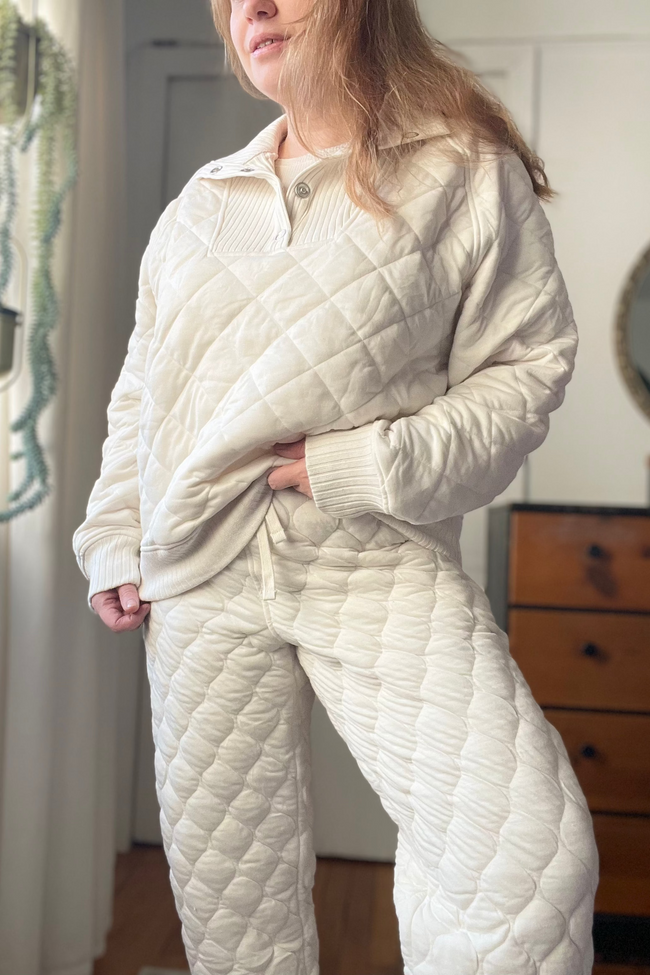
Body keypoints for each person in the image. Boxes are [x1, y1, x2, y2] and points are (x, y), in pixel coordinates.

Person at [72, 0, 600, 972]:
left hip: (372, 557)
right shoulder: (197, 207)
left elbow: (525, 371)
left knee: (527, 857)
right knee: (237, 929)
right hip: (199, 578)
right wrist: (114, 532)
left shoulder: (460, 170)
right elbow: (142, 397)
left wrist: (356, 465)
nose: (250, 10)